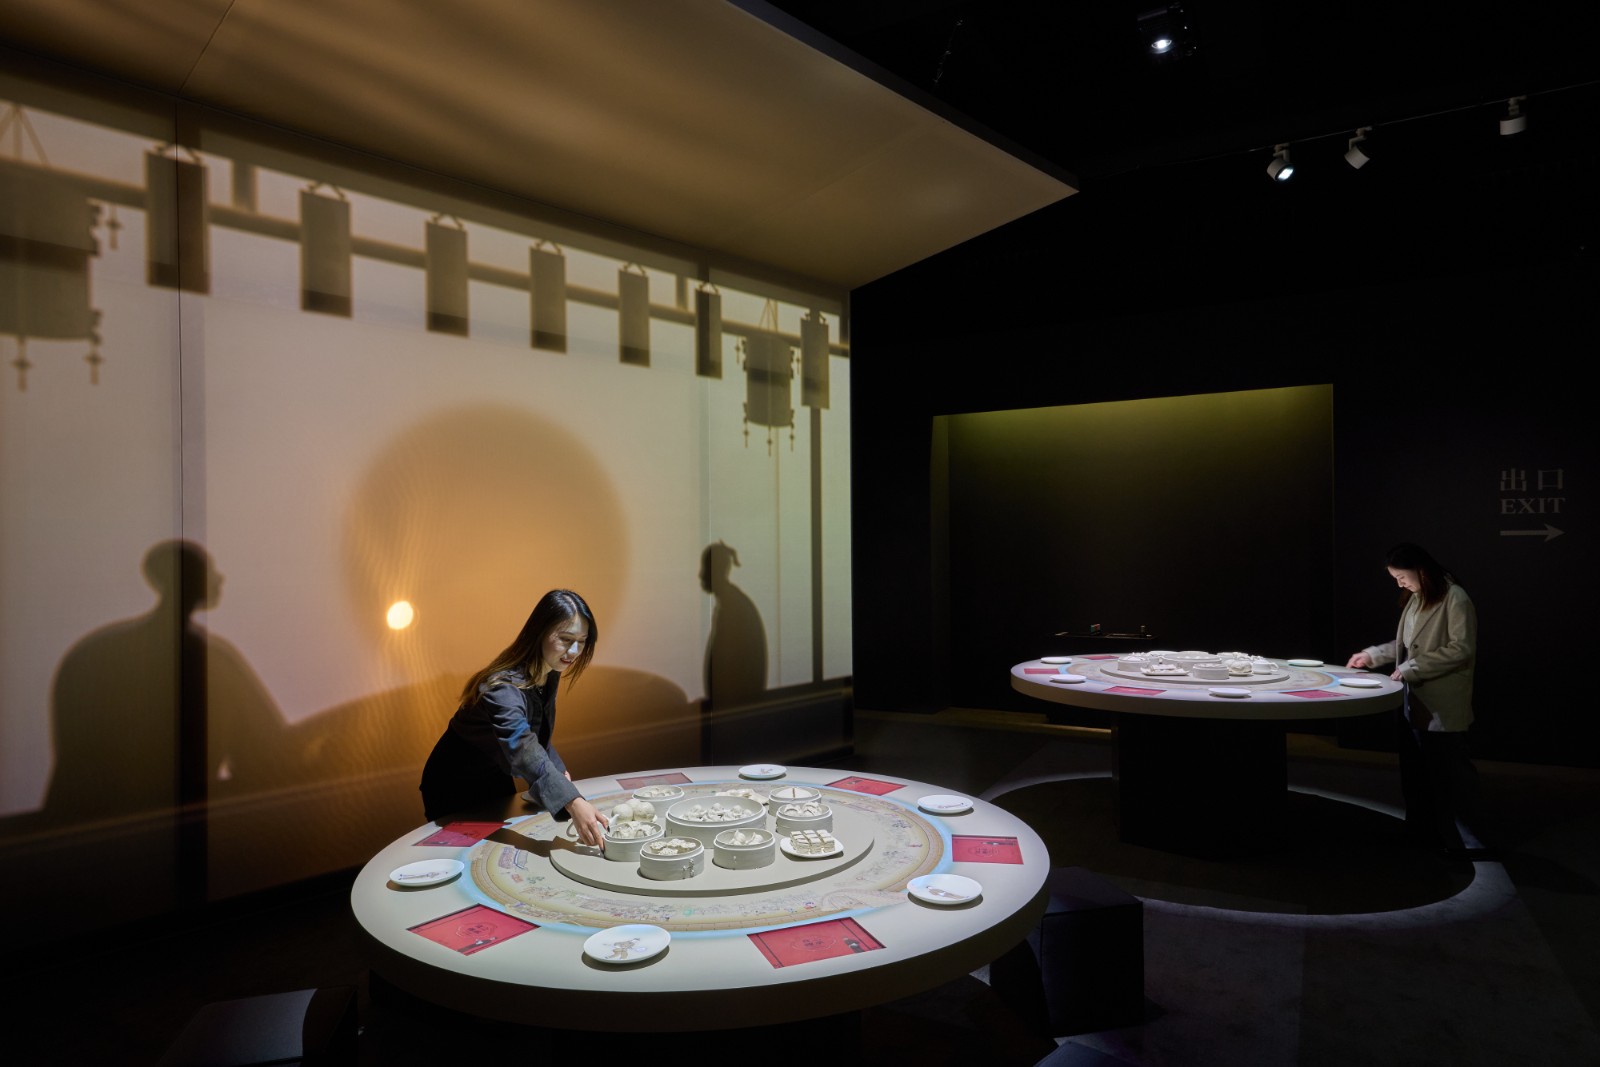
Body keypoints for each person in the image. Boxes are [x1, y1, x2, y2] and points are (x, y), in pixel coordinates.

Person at [419, 589, 609, 845]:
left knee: (495, 847)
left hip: (494, 776)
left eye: (582, 641)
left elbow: (537, 737)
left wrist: (560, 776)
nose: (574, 651)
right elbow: (521, 745)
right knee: (464, 855)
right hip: (453, 783)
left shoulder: (549, 670)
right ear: (539, 632)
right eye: (566, 639)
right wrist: (572, 801)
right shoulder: (501, 686)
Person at [1346, 543, 1481, 855]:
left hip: (1441, 704)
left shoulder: (1455, 597)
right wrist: (1372, 655)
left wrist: (1413, 668)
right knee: (1419, 775)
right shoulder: (1417, 597)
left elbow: (1461, 648)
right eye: (1396, 578)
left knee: (1450, 777)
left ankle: (1467, 844)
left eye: (1401, 577)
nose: (1399, 584)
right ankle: (1425, 836)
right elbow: (1407, 644)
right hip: (1416, 703)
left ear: (1421, 570)